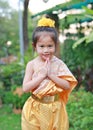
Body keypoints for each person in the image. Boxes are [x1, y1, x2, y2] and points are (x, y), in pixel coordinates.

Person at [21, 17, 78, 130]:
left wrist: (51, 75)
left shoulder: (59, 64)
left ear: (55, 45)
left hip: (55, 108)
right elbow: (25, 88)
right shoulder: (31, 65)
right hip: (35, 108)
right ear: (35, 46)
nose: (46, 50)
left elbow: (67, 85)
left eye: (50, 46)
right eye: (42, 46)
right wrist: (41, 76)